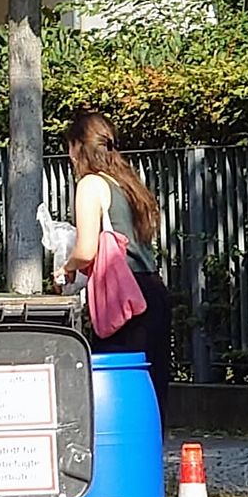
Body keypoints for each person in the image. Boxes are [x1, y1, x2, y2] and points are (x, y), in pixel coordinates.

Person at [61, 111, 173, 412]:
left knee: (117, 387)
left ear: (77, 147)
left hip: (123, 299)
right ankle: (148, 455)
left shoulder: (90, 184)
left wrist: (66, 267)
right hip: (151, 290)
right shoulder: (126, 182)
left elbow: (86, 249)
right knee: (151, 387)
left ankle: (119, 457)